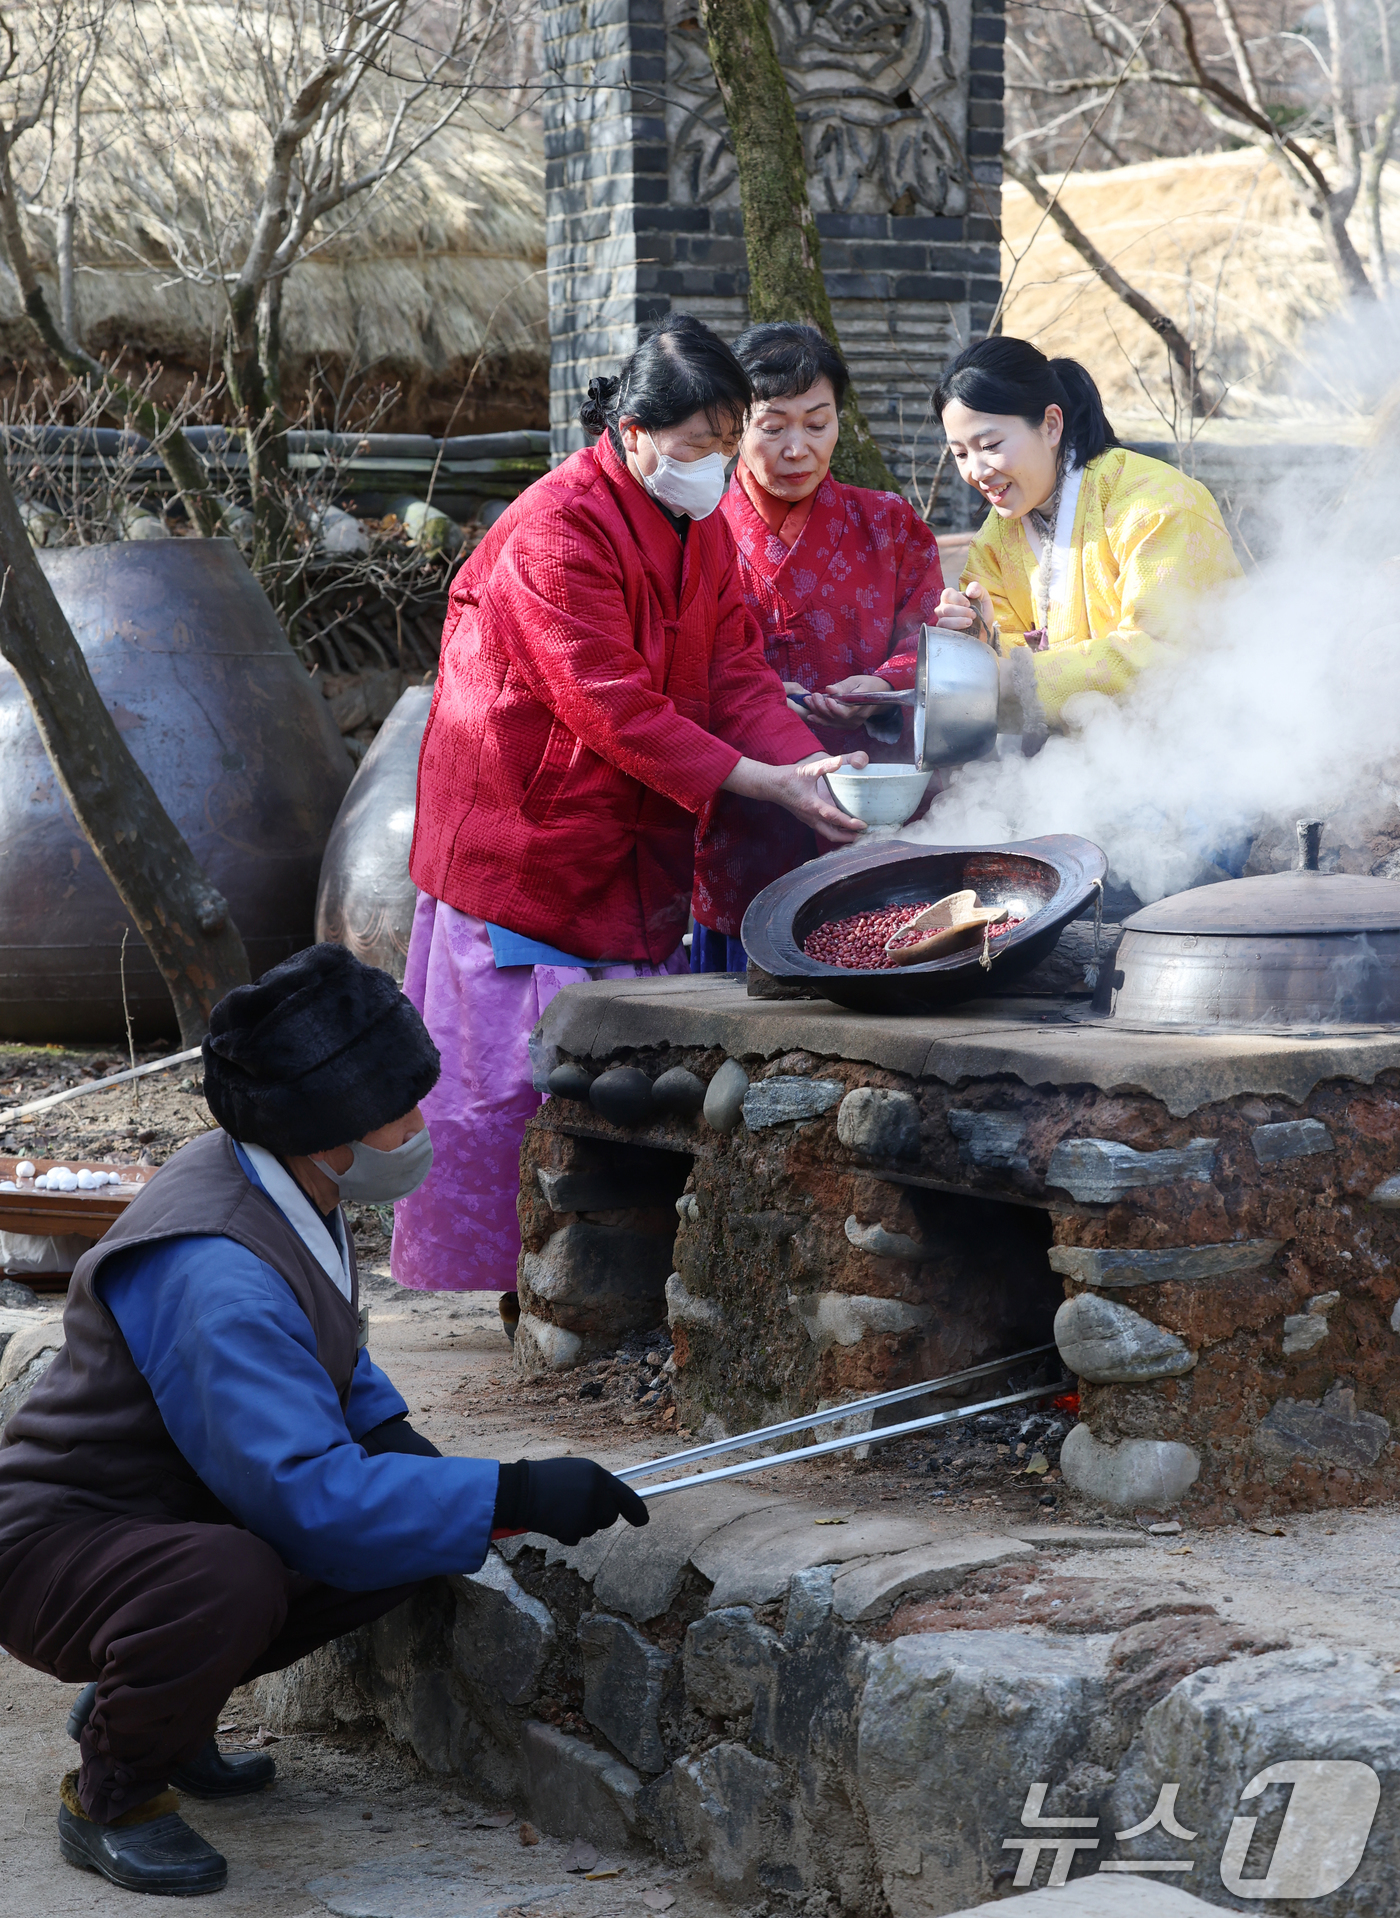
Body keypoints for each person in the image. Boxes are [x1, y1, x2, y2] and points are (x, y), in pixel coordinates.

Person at [0, 945, 649, 1897]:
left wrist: (403, 1449)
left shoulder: (286, 1178)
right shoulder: (214, 1269)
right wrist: (514, 1491)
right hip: (58, 1548)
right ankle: (115, 1792)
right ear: (330, 1132)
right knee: (234, 1574)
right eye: (404, 1112)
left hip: (166, 1520)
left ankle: (163, 1711)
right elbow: (303, 1492)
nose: (419, 1129)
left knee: (407, 1535)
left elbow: (328, 1354)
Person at [393, 315, 867, 1318]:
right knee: (509, 1089)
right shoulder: (551, 529)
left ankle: (605, 1276)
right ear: (634, 431)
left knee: (619, 1081)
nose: (711, 466)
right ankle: (517, 1283)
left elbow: (733, 671)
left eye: (719, 445)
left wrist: (804, 765)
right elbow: (607, 700)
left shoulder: (697, 532)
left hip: (630, 840)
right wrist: (753, 778)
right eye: (696, 447)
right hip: (526, 837)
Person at [690, 322, 946, 968]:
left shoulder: (889, 525)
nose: (797, 448)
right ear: (733, 430)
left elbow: (934, 641)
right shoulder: (698, 535)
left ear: (840, 421)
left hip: (872, 820)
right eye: (772, 427)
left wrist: (884, 684)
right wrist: (764, 700)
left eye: (817, 422)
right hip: (747, 821)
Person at [932, 336, 1242, 738]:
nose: (976, 471)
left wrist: (1014, 678)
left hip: (1205, 745)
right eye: (959, 454)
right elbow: (1001, 665)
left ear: (1051, 425)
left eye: (990, 445)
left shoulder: (1155, 504)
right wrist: (984, 635)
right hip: (1090, 763)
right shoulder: (996, 538)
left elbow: (1165, 653)